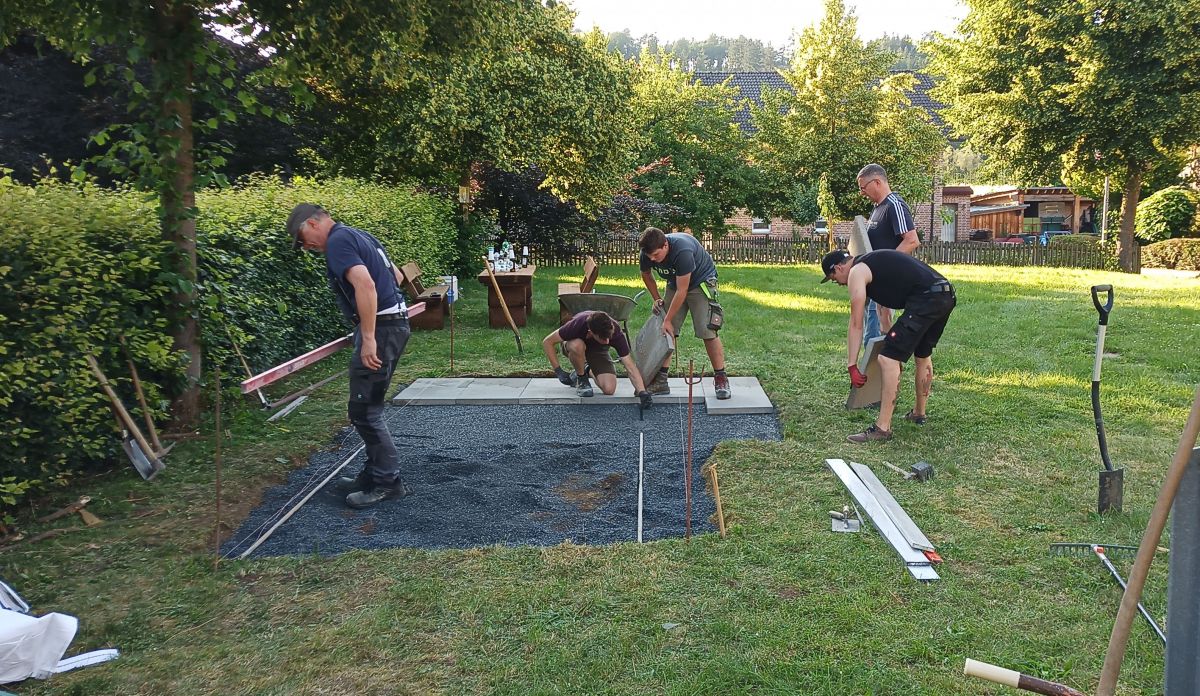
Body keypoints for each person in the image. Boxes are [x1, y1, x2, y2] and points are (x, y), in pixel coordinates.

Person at [287, 203, 413, 508]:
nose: (306, 247)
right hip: (393, 324)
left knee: (365, 411)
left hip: (382, 330)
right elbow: (395, 277)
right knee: (366, 408)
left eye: (302, 239)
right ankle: (372, 475)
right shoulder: (360, 235)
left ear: (313, 223)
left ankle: (386, 483)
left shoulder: (338, 242)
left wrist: (368, 336)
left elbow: (366, 284)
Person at [820, 248, 956, 443]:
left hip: (925, 299)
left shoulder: (857, 271)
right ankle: (919, 413)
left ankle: (882, 429)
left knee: (887, 358)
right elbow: (884, 309)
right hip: (944, 294)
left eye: (833, 277)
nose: (837, 282)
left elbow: (856, 322)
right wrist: (889, 335)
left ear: (839, 267)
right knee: (922, 354)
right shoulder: (874, 264)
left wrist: (852, 365)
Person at [638, 227, 731, 399]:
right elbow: (646, 275)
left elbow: (683, 290)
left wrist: (667, 319)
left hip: (700, 281)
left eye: (656, 255)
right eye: (650, 256)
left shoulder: (682, 250)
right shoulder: (647, 252)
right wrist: (657, 298)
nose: (653, 259)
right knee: (666, 331)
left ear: (665, 245)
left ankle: (721, 378)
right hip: (675, 282)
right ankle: (661, 381)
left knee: (707, 330)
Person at [856, 163, 919, 344]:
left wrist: (885, 268)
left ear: (876, 182)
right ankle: (874, 369)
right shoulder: (877, 208)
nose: (862, 193)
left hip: (884, 281)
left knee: (878, 336)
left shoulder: (894, 205)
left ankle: (881, 369)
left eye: (863, 188)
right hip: (872, 280)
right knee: (872, 332)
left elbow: (912, 240)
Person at [542, 310, 653, 408]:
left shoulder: (615, 332)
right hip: (575, 347)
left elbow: (630, 366)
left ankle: (586, 369)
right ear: (591, 333)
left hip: (597, 351)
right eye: (603, 338)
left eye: (609, 337)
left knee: (609, 389)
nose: (608, 342)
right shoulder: (577, 324)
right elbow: (547, 342)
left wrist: (642, 392)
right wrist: (559, 371)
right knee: (577, 345)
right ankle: (581, 379)